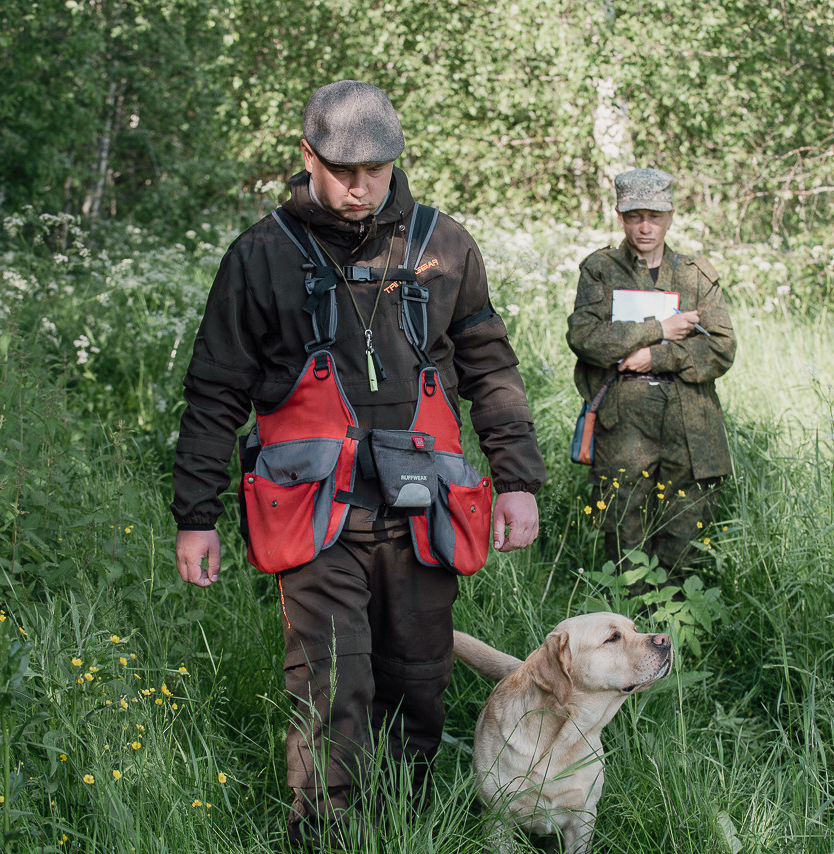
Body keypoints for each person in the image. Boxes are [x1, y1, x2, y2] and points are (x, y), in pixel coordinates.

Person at [170, 80, 545, 847]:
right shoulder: (261, 255)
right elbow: (214, 393)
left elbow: (491, 370)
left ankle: (406, 827)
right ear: (307, 155)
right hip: (313, 515)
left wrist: (518, 481)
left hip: (425, 509)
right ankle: (328, 839)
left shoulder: (444, 246)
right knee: (333, 685)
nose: (360, 185)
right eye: (343, 168)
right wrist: (195, 516)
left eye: (376, 168)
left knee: (419, 681)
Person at [566, 168, 735, 589]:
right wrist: (660, 328)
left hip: (690, 424)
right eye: (634, 215)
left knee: (685, 533)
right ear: (620, 216)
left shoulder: (696, 275)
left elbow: (720, 348)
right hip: (623, 426)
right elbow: (585, 337)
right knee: (621, 531)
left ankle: (672, 630)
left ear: (671, 216)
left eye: (654, 216)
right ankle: (625, 633)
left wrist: (653, 356)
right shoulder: (601, 271)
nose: (645, 226)